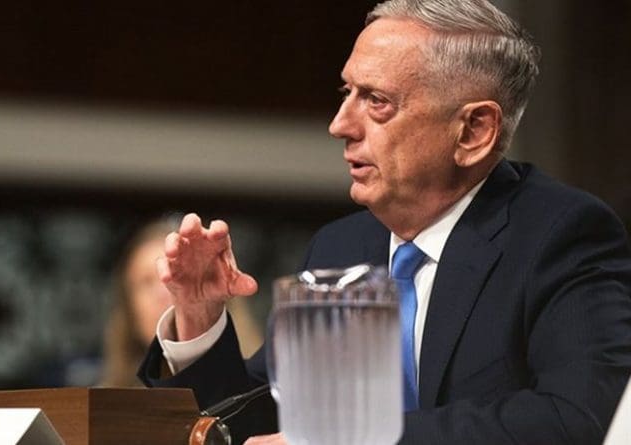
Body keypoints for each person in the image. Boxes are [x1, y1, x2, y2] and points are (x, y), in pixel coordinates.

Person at [137, 0, 631, 444]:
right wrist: (200, 318)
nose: (340, 125)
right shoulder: (340, 246)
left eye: (377, 102)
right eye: (347, 92)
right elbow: (263, 425)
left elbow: (577, 418)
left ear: (474, 131)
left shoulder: (561, 234)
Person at [101, 220, 262, 387]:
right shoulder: (99, 405)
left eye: (177, 277)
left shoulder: (266, 389)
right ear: (130, 311)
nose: (162, 293)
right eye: (146, 282)